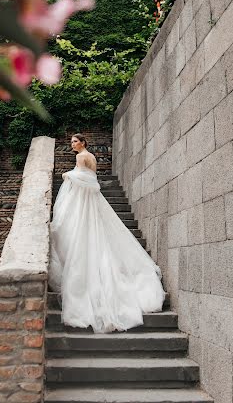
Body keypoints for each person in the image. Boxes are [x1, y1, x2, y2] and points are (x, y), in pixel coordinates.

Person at [49, 133, 165, 333]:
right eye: (71, 142)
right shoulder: (92, 157)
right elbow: (93, 179)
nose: (72, 144)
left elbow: (85, 179)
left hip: (83, 200)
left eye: (75, 141)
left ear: (83, 143)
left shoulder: (80, 157)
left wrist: (67, 175)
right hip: (91, 199)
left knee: (69, 231)